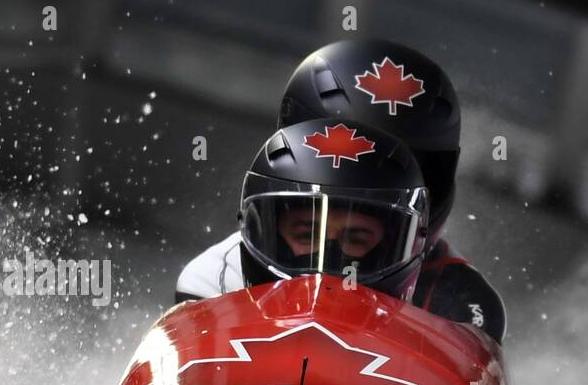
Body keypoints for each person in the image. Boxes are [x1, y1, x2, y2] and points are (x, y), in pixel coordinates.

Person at [177, 39, 506, 342]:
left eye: (405, 167)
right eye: (307, 231)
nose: (381, 184)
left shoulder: (462, 305)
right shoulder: (216, 279)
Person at [236, 118, 429, 300]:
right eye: (307, 235)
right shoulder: (211, 287)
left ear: (389, 246)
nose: (327, 268)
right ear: (263, 234)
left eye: (355, 239)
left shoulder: (443, 318)